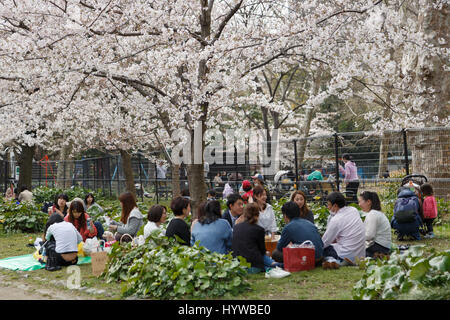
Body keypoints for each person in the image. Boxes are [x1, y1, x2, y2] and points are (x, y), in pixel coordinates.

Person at [232, 203, 282, 273]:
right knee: (268, 263)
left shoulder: (236, 227)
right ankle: (275, 264)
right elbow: (262, 251)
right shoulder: (259, 229)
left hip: (238, 266)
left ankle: (273, 264)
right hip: (254, 266)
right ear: (258, 214)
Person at [322, 192, 365, 269]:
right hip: (360, 255)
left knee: (323, 249)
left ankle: (334, 260)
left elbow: (325, 242)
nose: (327, 207)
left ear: (335, 206)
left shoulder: (336, 220)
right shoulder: (353, 210)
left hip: (345, 254)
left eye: (328, 205)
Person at [358, 191, 391, 258]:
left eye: (360, 201)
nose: (359, 204)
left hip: (378, 247)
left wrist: (356, 238)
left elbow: (369, 235)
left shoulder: (372, 214)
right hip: (384, 247)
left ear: (368, 202)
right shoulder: (377, 213)